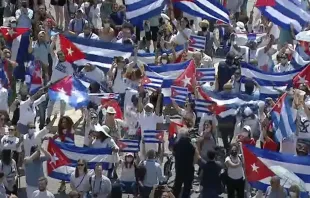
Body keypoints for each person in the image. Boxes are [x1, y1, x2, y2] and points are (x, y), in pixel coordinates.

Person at [172, 128, 195, 198]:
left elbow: (173, 152)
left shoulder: (176, 144)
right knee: (187, 188)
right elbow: (194, 155)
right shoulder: (191, 145)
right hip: (189, 169)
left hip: (179, 168)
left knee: (177, 186)